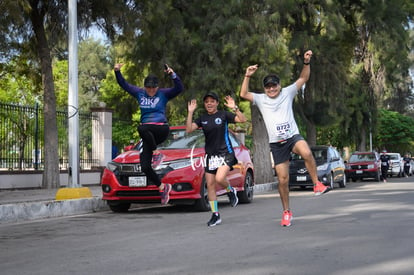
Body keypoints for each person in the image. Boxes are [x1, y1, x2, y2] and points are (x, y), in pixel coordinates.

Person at [239, 50, 329, 227]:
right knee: (283, 180)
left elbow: (303, 79)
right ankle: (287, 212)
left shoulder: (287, 93)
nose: (271, 89)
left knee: (306, 152)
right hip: (277, 144)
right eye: (268, 87)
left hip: (292, 137)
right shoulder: (261, 99)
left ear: (279, 85)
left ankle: (317, 183)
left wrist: (306, 62)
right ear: (265, 88)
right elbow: (243, 94)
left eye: (274, 86)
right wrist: (247, 75)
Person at [114, 63, 184, 205]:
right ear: (145, 87)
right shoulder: (139, 93)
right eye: (148, 88)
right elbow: (124, 85)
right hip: (148, 136)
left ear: (157, 87)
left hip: (161, 129)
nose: (151, 91)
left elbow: (179, 88)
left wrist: (172, 74)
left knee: (142, 128)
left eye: (153, 88)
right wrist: (117, 72)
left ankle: (156, 153)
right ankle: (162, 187)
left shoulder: (163, 94)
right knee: (145, 166)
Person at [186, 92, 247, 227]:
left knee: (220, 179)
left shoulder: (224, 115)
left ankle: (231, 190)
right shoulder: (202, 118)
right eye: (207, 101)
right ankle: (216, 215)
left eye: (212, 101)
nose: (209, 103)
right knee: (211, 185)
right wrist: (190, 112)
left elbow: (242, 120)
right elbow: (189, 129)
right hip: (211, 156)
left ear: (217, 103)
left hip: (226, 153)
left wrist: (234, 107)